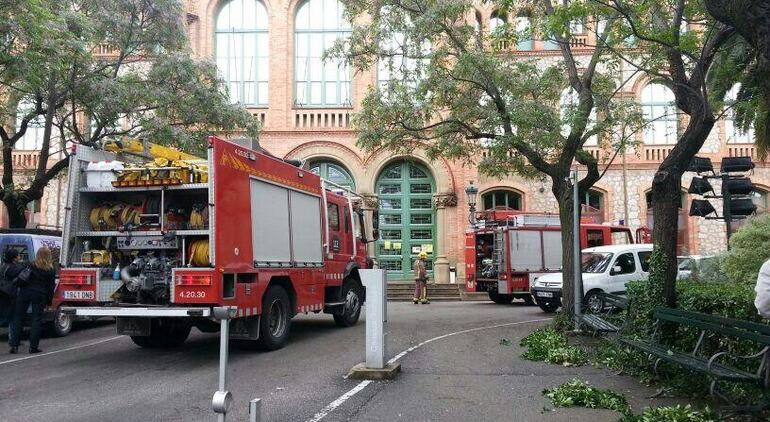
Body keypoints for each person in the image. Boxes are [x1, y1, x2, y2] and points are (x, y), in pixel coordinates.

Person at [9, 247, 56, 354]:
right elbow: (51, 287)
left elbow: (20, 275)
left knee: (18, 318)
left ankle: (14, 346)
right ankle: (33, 347)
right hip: (40, 295)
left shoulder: (29, 264)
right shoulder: (50, 269)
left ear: (38, 254)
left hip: (25, 293)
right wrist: (49, 301)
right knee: (36, 320)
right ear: (49, 256)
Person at [0, 249, 24, 328]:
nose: (19, 257)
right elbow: (21, 270)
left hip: (3, 293)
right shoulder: (13, 268)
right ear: (14, 258)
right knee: (11, 318)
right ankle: (12, 338)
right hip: (10, 295)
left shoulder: (3, 266)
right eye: (18, 255)